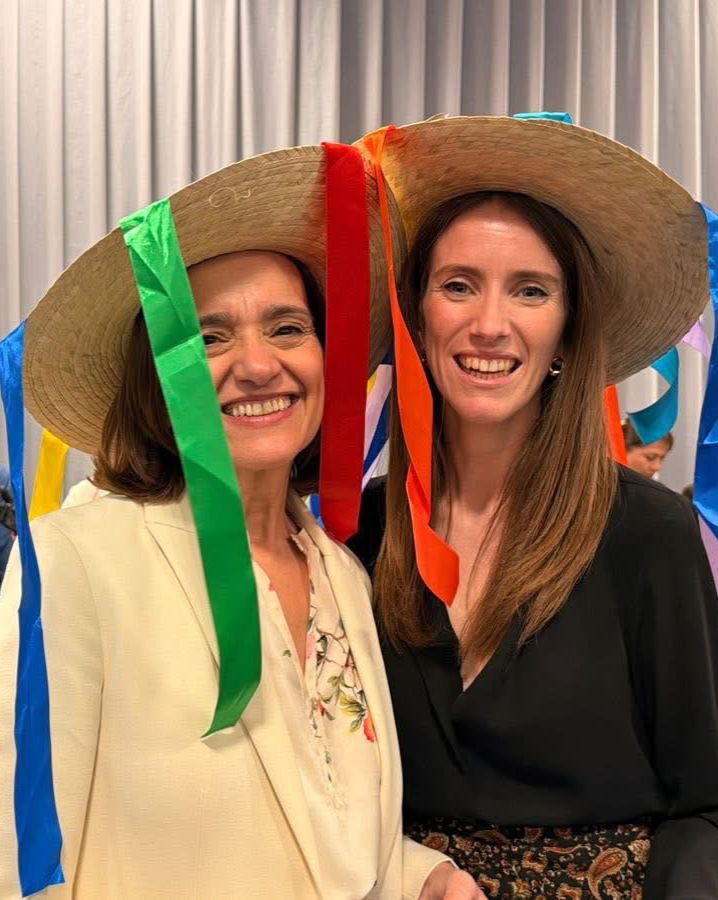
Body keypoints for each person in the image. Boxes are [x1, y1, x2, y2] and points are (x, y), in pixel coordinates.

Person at [0, 147, 478, 899]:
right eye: (209, 338)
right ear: (156, 378)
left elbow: (331, 832)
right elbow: (20, 860)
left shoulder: (342, 574)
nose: (257, 366)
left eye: (286, 328)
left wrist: (424, 875)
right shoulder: (76, 564)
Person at [350, 115, 718, 897]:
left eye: (530, 290)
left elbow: (707, 806)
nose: (490, 324)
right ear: (416, 316)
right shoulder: (365, 533)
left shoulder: (646, 534)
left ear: (566, 329)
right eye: (458, 285)